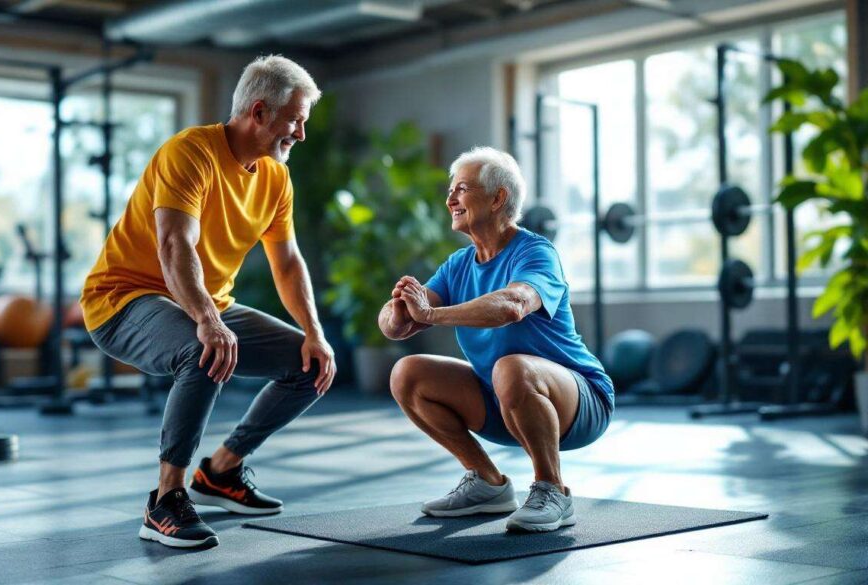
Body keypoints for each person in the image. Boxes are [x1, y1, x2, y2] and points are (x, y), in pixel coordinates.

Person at [81, 55, 336, 549]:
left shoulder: (274, 177)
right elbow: (175, 245)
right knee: (204, 350)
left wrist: (314, 332)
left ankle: (221, 471)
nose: (301, 134)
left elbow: (287, 262)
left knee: (310, 365)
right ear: (259, 112)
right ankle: (165, 500)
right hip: (123, 300)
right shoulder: (190, 153)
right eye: (295, 120)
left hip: (206, 302)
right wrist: (207, 320)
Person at [378, 146, 613, 533]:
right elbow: (394, 324)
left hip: (581, 401)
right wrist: (399, 309)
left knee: (511, 368)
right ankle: (487, 483)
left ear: (498, 198)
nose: (450, 198)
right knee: (407, 373)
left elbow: (512, 305)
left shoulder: (535, 252)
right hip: (503, 399)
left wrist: (432, 315)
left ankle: (553, 490)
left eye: (462, 189)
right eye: (451, 190)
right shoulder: (458, 265)